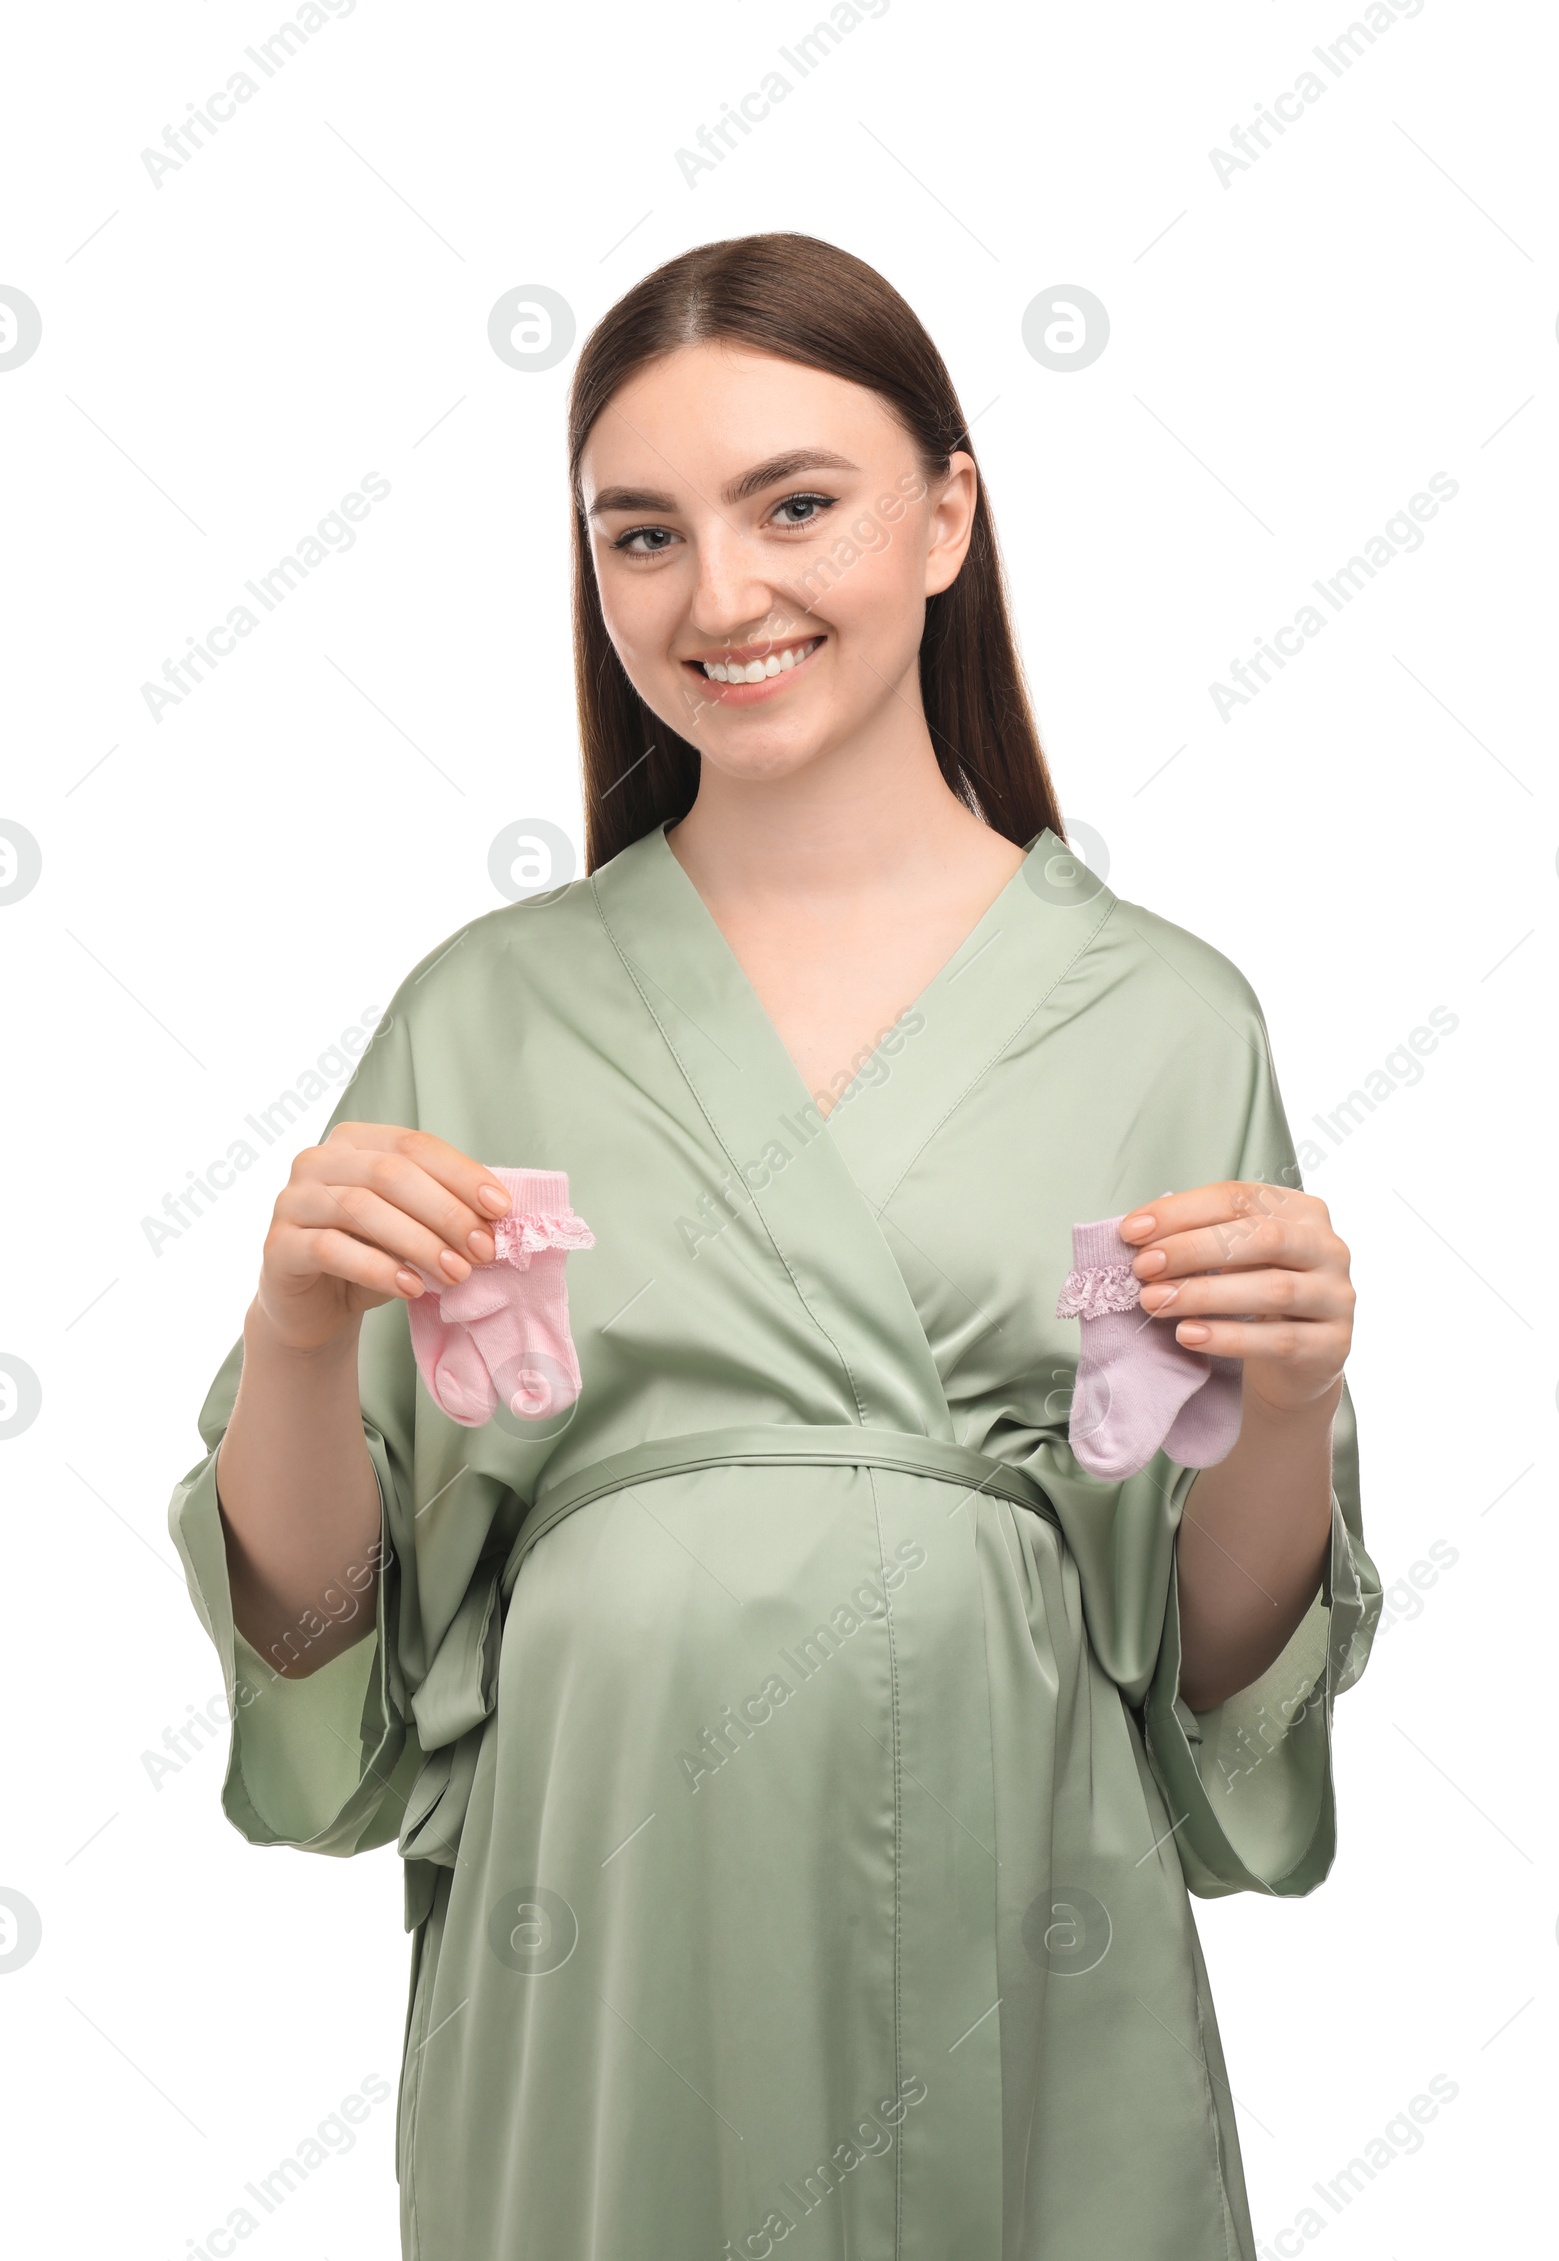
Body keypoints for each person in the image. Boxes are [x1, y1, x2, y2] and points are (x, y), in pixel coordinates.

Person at [168, 231, 1381, 2260]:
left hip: (1021, 1911)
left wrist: (1291, 1402)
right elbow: (323, 1673)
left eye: (792, 506)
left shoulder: (1167, 1021)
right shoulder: (487, 1011)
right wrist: (295, 1336)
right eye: (638, 535)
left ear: (943, 516)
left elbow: (1216, 1700)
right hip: (595, 1935)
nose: (716, 597)